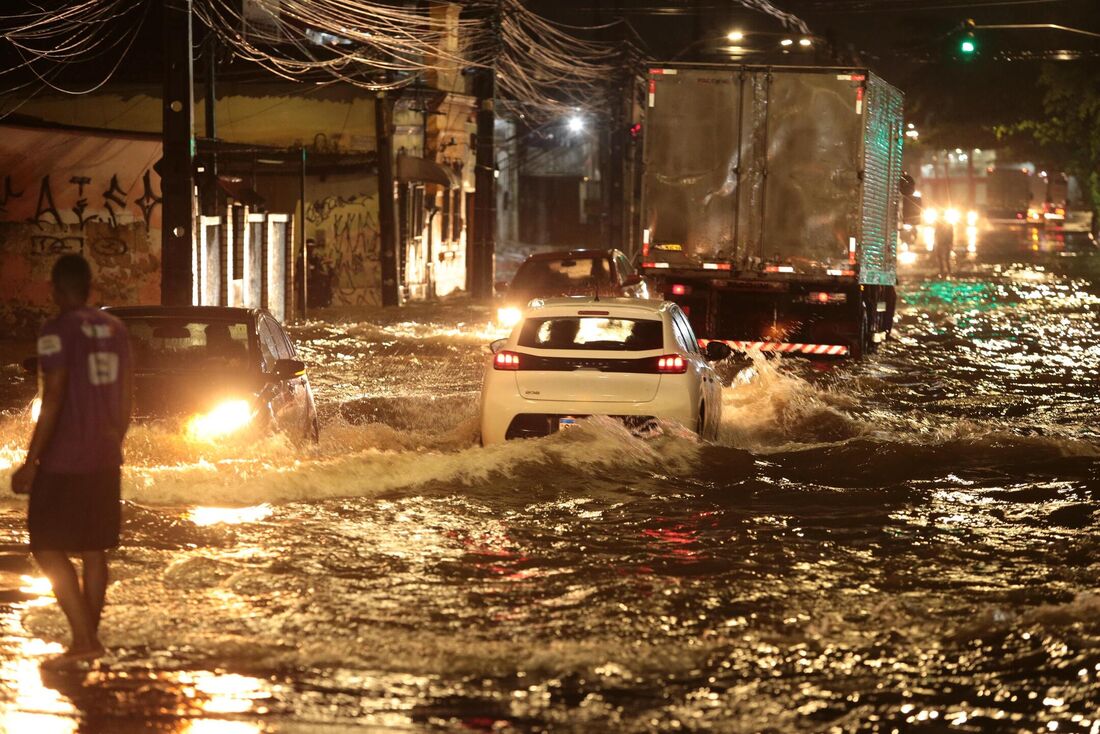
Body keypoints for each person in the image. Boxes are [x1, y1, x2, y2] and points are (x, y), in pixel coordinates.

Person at [10, 254, 132, 669]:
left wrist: (31, 461)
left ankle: (83, 640)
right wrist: (115, 437)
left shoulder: (53, 331)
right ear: (90, 286)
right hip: (104, 455)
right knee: (95, 550)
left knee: (45, 546)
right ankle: (88, 641)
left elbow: (55, 396)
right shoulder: (116, 329)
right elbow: (126, 396)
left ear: (56, 289)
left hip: (63, 461)